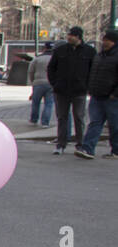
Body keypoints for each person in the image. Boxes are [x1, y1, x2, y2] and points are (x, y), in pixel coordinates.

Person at [48, 26, 95, 155]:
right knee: (62, 117)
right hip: (61, 90)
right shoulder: (60, 50)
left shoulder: (89, 51)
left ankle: (80, 144)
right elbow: (51, 68)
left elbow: (93, 71)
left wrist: (87, 87)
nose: (69, 37)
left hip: (79, 91)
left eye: (71, 35)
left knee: (79, 117)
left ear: (78, 37)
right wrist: (55, 84)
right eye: (68, 35)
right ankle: (61, 144)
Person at [79, 28, 118, 159]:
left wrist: (115, 94)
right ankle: (88, 149)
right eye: (104, 39)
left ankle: (116, 151)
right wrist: (91, 89)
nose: (104, 42)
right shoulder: (99, 55)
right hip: (97, 95)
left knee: (115, 125)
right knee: (95, 122)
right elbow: (92, 73)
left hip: (112, 97)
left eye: (108, 40)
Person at [27, 43, 55, 129]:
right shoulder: (54, 59)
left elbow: (31, 71)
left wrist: (33, 81)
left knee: (35, 103)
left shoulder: (37, 59)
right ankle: (45, 122)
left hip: (38, 83)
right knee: (48, 104)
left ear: (44, 48)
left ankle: (33, 120)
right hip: (50, 83)